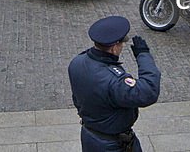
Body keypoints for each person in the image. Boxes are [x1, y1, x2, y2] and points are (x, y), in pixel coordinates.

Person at [68, 16, 160, 152]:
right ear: (114, 47)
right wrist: (143, 55)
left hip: (90, 135)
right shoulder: (114, 80)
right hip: (113, 145)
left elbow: (77, 98)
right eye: (121, 44)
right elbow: (149, 92)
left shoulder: (77, 62)